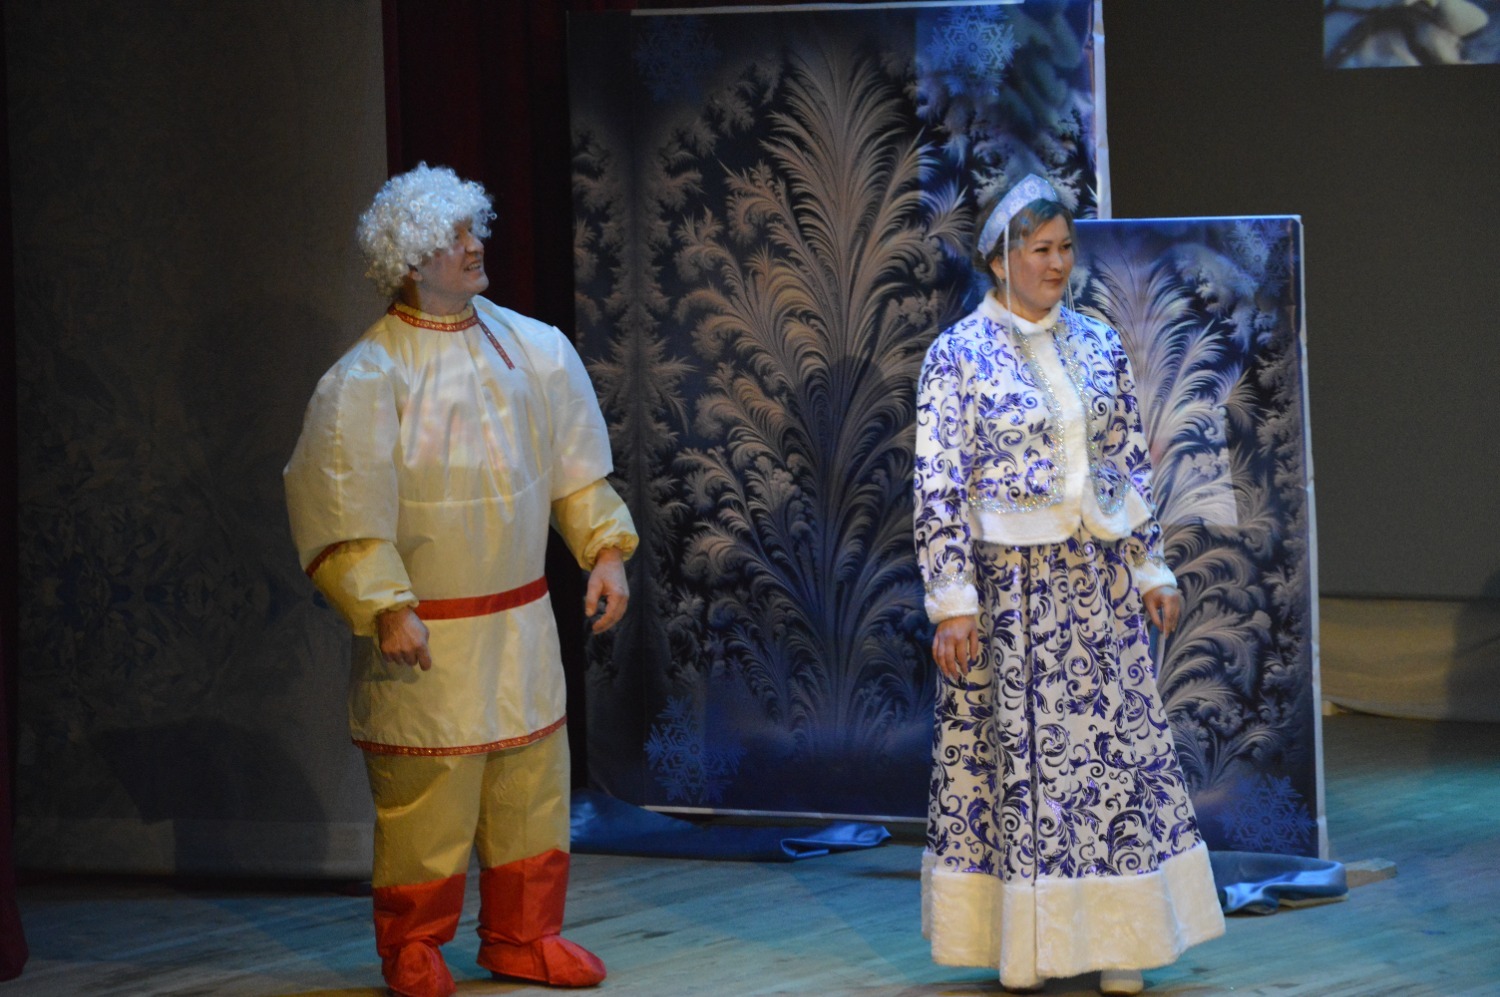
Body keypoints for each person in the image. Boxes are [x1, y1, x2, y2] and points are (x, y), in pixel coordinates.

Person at [284, 163, 637, 997]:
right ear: (411, 260)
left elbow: (574, 468)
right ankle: (413, 942)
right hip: (429, 635)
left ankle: (525, 934)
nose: (475, 246)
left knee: (530, 786)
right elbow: (344, 505)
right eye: (453, 237)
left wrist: (605, 550)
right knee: (428, 798)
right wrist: (385, 604)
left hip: (520, 625)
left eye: (473, 228)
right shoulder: (367, 379)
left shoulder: (535, 350)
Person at [913, 175, 1225, 995]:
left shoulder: (1096, 342)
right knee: (1023, 772)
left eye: (1065, 248)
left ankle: (1123, 939)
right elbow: (939, 483)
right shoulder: (957, 355)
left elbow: (1127, 462)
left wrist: (1149, 565)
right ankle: (1028, 948)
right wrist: (952, 602)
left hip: (1095, 587)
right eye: (1041, 249)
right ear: (999, 258)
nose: (1058, 264)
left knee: (1113, 765)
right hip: (1009, 594)